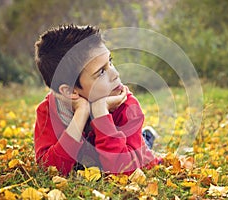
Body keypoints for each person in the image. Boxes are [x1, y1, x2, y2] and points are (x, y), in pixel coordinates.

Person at [34, 24, 161, 176]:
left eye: (111, 62)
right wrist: (81, 113)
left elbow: (126, 171)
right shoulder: (49, 110)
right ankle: (147, 136)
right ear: (69, 91)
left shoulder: (127, 105)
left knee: (144, 145)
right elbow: (49, 169)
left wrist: (100, 113)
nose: (115, 74)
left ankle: (147, 137)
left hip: (134, 148)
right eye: (101, 72)